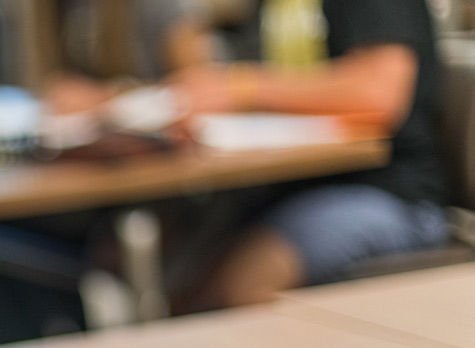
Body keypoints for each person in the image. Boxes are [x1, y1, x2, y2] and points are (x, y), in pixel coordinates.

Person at [0, 0, 218, 348]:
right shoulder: (47, 13)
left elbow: (204, 87)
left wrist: (107, 98)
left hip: (154, 179)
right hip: (75, 175)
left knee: (13, 248)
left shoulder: (159, 8)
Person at [172, 0, 449, 308]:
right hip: (289, 186)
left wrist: (242, 87)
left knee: (240, 287)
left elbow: (378, 93)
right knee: (183, 281)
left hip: (384, 193)